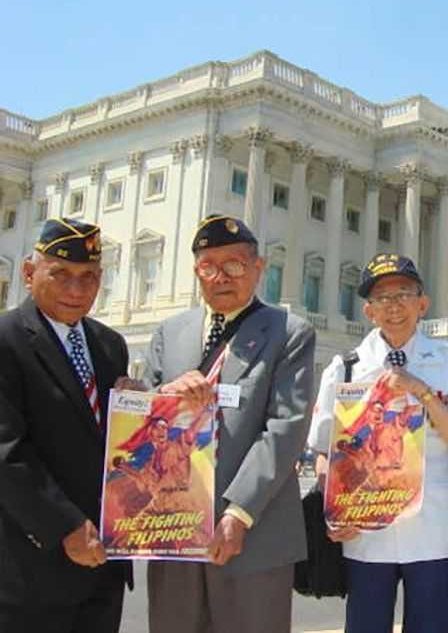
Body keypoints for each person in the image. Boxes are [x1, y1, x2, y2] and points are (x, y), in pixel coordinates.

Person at [142, 214, 315, 633]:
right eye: (208, 266)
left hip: (253, 534)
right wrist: (162, 398)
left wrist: (238, 513)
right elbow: (137, 420)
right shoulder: (170, 332)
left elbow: (284, 430)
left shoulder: (288, 332)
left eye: (235, 265)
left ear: (258, 268)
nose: (221, 277)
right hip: (173, 530)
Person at [308, 252, 448, 633]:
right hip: (366, 531)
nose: (393, 306)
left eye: (403, 293)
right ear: (369, 311)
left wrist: (424, 393)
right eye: (382, 298)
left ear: (423, 304)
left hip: (430, 528)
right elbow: (323, 451)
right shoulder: (347, 367)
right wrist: (336, 511)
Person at [0, 218, 132, 633]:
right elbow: (7, 452)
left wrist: (148, 407)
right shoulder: (6, 339)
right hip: (32, 565)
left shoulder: (110, 346)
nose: (77, 290)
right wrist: (65, 527)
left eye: (89, 277)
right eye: (61, 275)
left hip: (104, 565)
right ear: (28, 273)